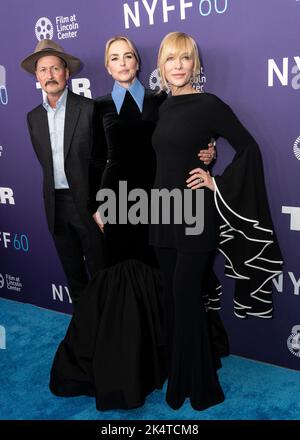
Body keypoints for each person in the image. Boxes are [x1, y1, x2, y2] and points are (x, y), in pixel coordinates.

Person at [49, 36, 217, 411]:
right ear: (107, 67)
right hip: (119, 204)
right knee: (122, 277)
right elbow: (93, 162)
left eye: (128, 56)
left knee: (165, 278)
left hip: (163, 201)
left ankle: (167, 357)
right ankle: (130, 367)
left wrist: (210, 151)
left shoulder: (163, 100)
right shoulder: (98, 107)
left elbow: (187, 138)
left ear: (139, 63)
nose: (122, 63)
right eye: (114, 58)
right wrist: (96, 206)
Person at [150, 32, 283, 411]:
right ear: (162, 64)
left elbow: (248, 148)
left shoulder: (210, 104)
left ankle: (202, 387)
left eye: (185, 59)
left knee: (187, 297)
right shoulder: (160, 107)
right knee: (173, 301)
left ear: (196, 65)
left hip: (194, 214)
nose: (177, 66)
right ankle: (180, 378)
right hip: (161, 212)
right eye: (171, 59)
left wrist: (214, 180)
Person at [21, 40, 104, 306]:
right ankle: (83, 331)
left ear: (66, 73)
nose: (50, 75)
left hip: (89, 205)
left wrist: (101, 203)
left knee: (101, 273)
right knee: (74, 276)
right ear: (37, 77)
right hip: (55, 206)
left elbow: (103, 160)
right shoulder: (33, 118)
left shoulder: (89, 109)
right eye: (43, 70)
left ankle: (110, 332)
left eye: (55, 68)